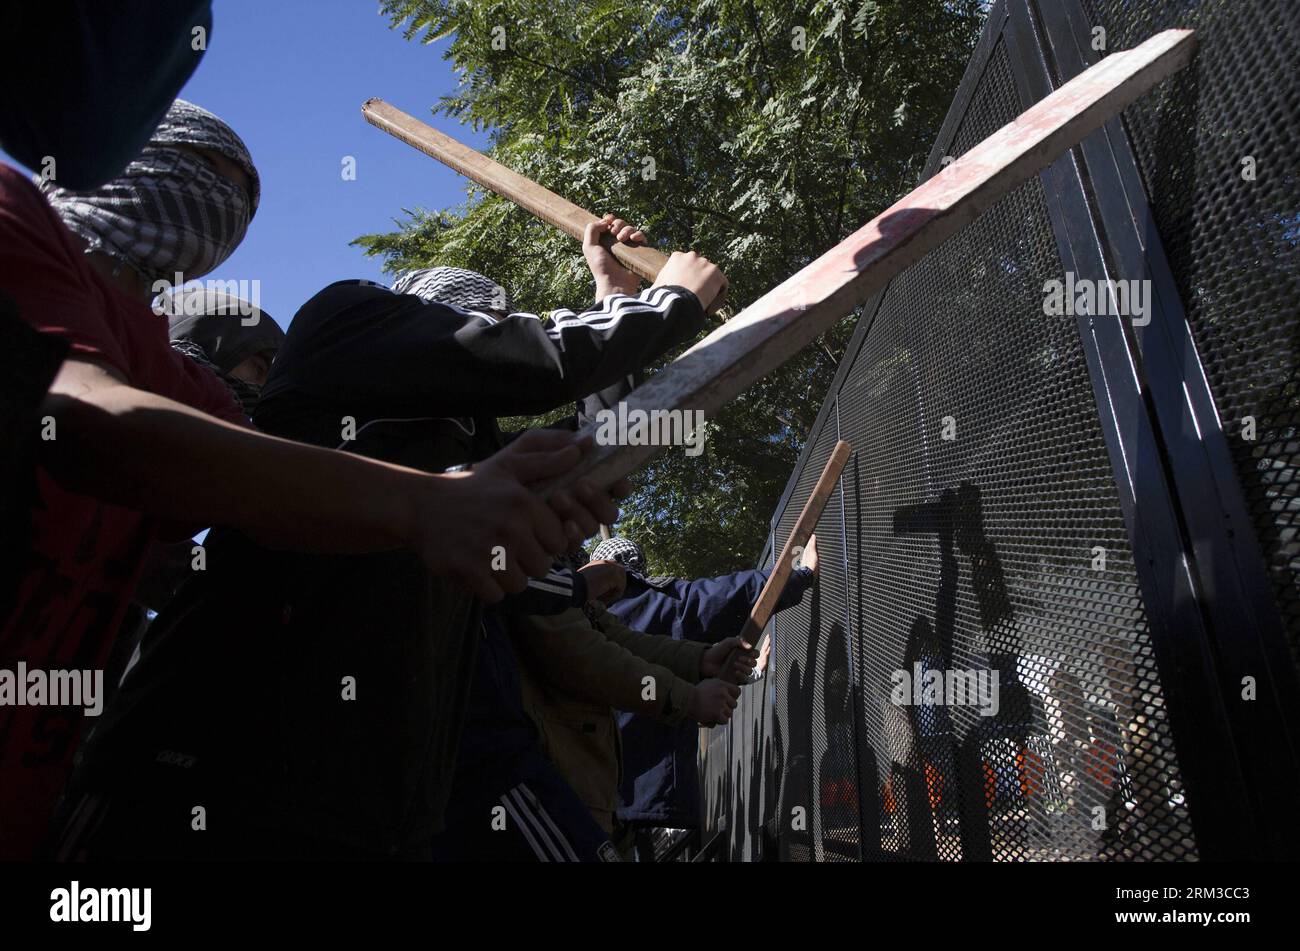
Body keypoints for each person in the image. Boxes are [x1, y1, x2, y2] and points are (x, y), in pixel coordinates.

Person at [0, 99, 621, 859]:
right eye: (203, 177)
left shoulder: (173, 375)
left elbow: (258, 489)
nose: (217, 212)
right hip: (174, 790)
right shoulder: (12, 216)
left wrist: (494, 490)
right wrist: (430, 503)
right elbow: (90, 418)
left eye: (237, 198)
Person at [57, 217, 728, 859]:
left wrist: (614, 294)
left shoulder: (467, 452)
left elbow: (594, 460)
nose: (493, 331)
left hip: (370, 814)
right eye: (479, 322)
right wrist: (669, 304)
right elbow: (536, 359)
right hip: (205, 778)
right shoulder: (344, 320)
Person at [589, 533, 819, 856]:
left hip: (593, 801)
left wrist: (744, 674)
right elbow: (731, 593)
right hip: (653, 801)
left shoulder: (580, 625)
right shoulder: (663, 603)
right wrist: (801, 576)